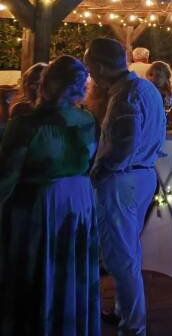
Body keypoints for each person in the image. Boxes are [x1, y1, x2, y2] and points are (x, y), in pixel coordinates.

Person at [0, 56, 100, 336]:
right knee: (71, 268)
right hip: (79, 201)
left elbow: (7, 175)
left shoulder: (25, 124)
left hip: (41, 204)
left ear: (45, 83)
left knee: (40, 269)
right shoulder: (87, 120)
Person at [84, 38, 165, 334]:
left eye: (90, 69)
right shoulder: (146, 87)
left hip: (123, 181)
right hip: (143, 177)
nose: (90, 76)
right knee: (129, 251)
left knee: (121, 258)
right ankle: (123, 312)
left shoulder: (125, 97)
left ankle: (133, 326)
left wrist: (100, 172)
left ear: (100, 68)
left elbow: (124, 145)